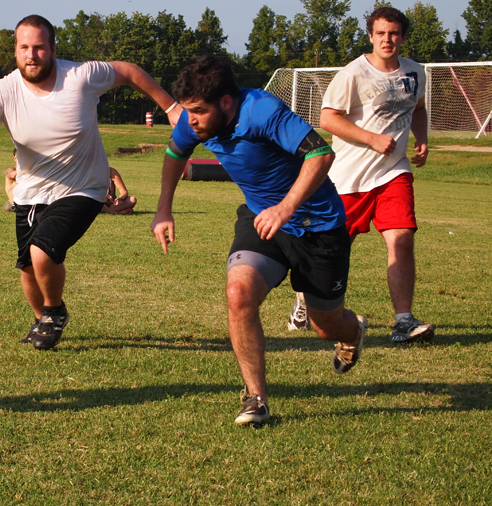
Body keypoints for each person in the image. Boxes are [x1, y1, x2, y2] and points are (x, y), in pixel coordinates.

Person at [151, 55, 366, 426]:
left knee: (325, 326)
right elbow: (174, 153)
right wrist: (163, 209)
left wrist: (284, 208)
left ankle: (353, 331)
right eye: (189, 111)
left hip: (319, 226)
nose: (192, 120)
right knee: (239, 293)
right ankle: (256, 398)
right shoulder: (193, 121)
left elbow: (320, 153)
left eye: (200, 111)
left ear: (227, 102)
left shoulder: (263, 111)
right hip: (260, 218)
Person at [0, 14, 182, 351]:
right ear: (15, 51)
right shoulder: (5, 89)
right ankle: (42, 318)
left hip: (85, 187)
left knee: (43, 251)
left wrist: (171, 106)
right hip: (31, 192)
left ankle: (55, 312)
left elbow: (130, 72)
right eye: (24, 48)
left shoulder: (80, 76)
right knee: (28, 268)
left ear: (53, 49)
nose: (31, 55)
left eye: (39, 48)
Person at [286, 6, 433, 345]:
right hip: (349, 178)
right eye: (381, 33)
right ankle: (305, 303)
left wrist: (422, 140)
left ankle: (403, 321)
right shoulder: (354, 73)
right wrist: (371, 138)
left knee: (402, 240)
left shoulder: (415, 72)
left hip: (394, 173)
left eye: (394, 33)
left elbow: (419, 109)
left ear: (403, 37)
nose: (387, 39)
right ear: (370, 36)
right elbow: (328, 119)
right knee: (331, 250)